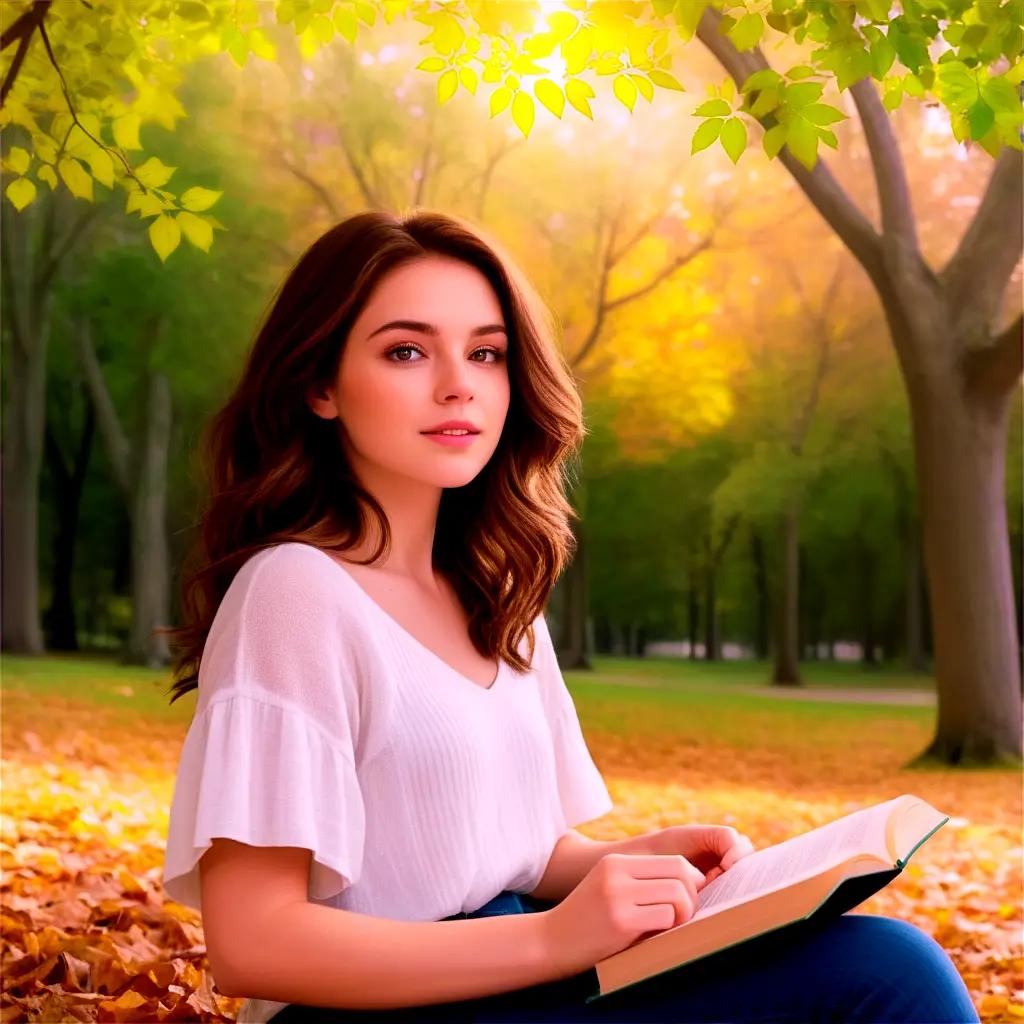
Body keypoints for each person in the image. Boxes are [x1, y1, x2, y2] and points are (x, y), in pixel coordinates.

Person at [159, 209, 980, 1024]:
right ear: (319, 386)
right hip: (383, 1012)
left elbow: (515, 852)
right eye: (407, 351)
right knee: (885, 980)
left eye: (486, 353)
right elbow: (253, 943)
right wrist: (557, 939)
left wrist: (632, 862)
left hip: (519, 982)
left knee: (885, 963)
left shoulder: (499, 594)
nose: (459, 384)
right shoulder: (295, 592)